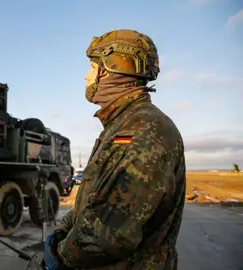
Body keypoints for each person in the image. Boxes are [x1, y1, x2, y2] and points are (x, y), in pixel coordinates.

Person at [43, 29, 186, 269]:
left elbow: (105, 237)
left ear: (110, 69)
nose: (86, 77)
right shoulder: (122, 124)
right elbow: (92, 202)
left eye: (91, 68)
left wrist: (61, 256)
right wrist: (62, 231)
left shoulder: (142, 130)